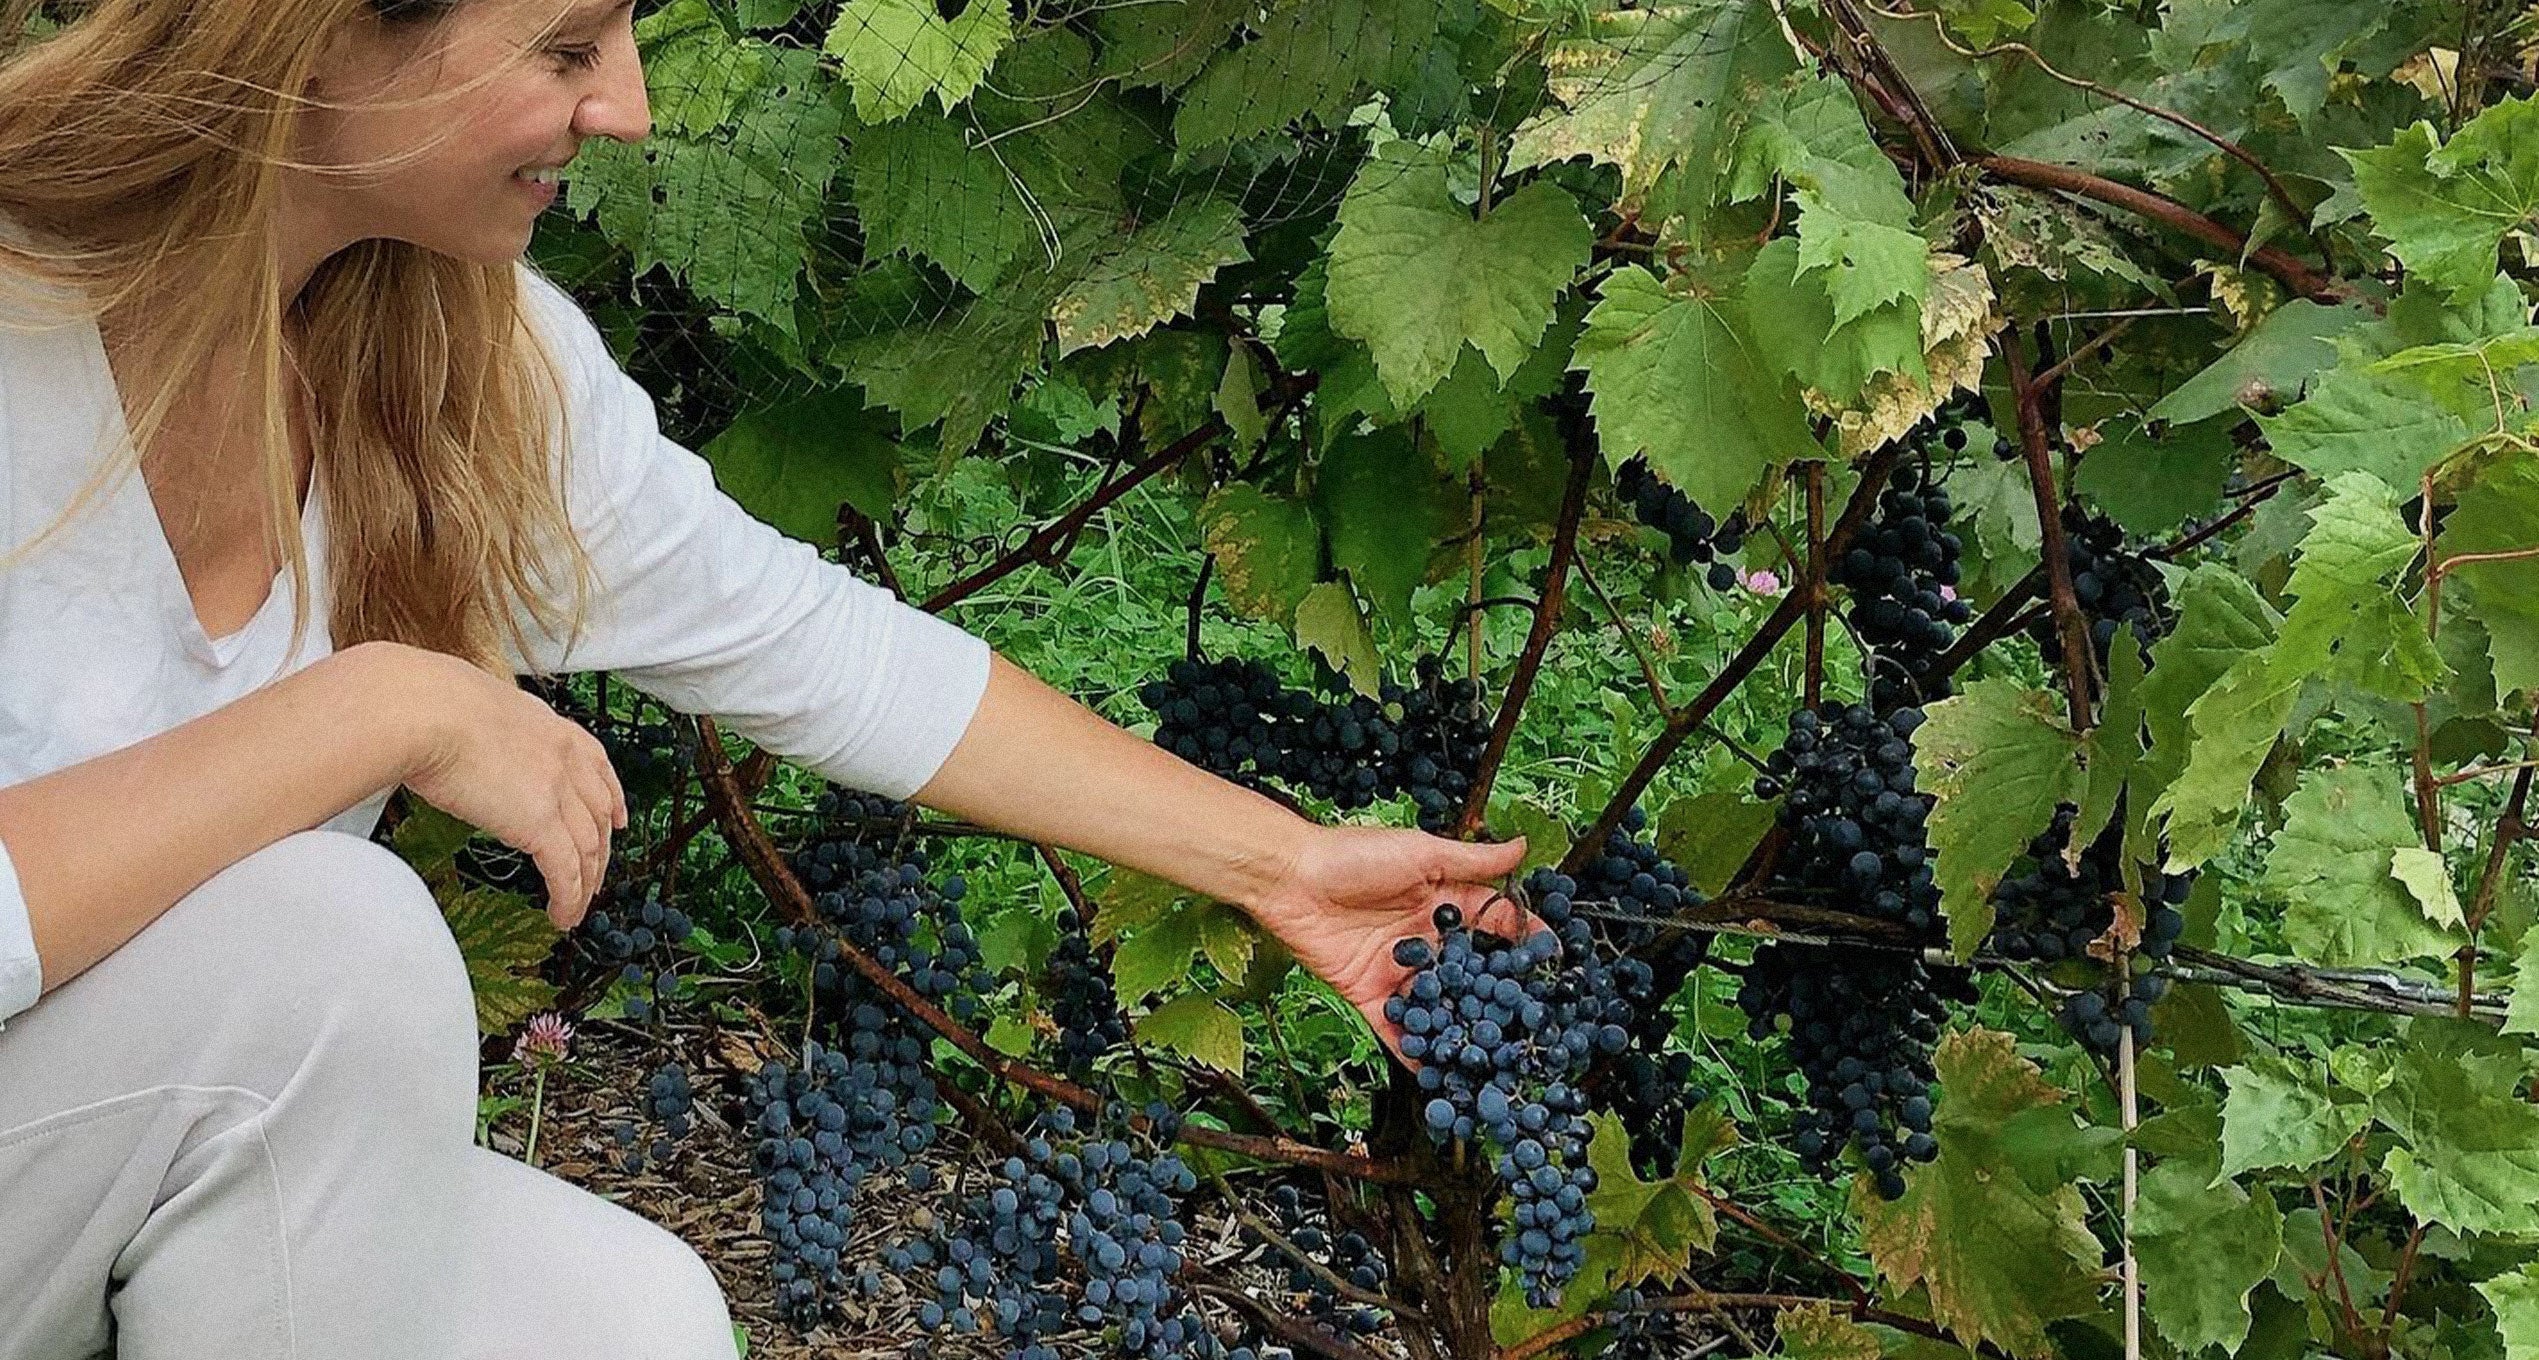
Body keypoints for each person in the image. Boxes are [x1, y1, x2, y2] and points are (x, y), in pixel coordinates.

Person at [0, 1, 1529, 1356]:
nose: (627, 108)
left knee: (631, 1321)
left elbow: (815, 644)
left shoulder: (452, 358)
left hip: (80, 1162)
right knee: (331, 948)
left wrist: (1282, 865)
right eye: (566, 48)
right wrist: (373, 708)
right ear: (325, 29)